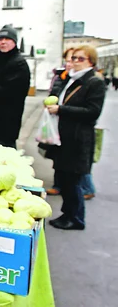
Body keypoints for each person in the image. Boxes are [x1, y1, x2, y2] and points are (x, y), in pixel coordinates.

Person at [46, 46, 106, 230]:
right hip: (66, 138)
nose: (75, 62)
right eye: (74, 58)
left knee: (73, 182)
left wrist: (61, 110)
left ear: (91, 62)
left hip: (78, 139)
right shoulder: (72, 80)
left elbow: (92, 112)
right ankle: (67, 214)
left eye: (80, 59)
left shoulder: (93, 82)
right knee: (65, 178)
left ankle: (76, 218)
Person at [45, 48, 74, 196]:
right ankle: (58, 185)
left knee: (75, 166)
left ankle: (87, 189)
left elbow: (92, 111)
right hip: (58, 123)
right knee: (59, 157)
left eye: (74, 60)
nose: (70, 64)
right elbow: (54, 93)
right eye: (68, 60)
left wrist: (60, 109)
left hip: (73, 128)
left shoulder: (79, 81)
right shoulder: (61, 77)